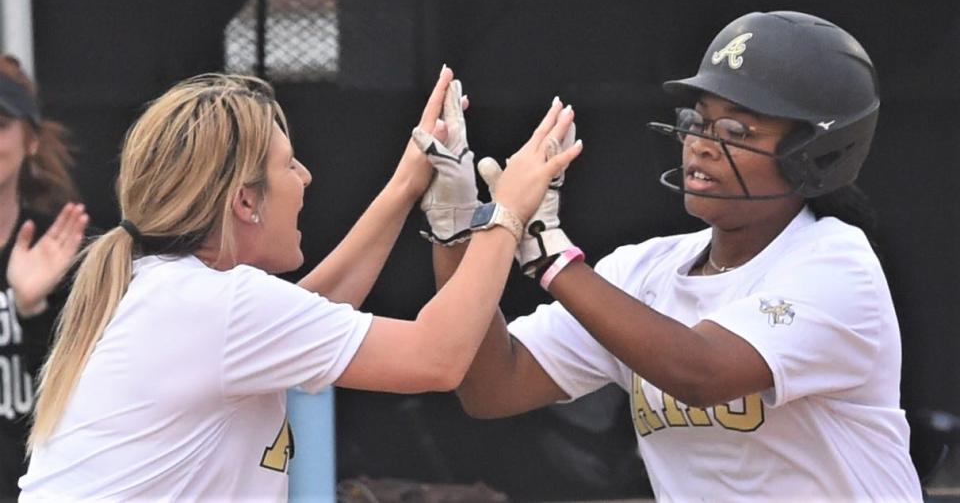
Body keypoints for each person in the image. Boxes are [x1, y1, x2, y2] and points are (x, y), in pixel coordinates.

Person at [18, 67, 582, 499]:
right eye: (290, 165)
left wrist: (408, 183)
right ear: (244, 201)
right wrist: (505, 213)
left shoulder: (172, 286)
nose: (307, 178)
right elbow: (437, 359)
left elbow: (310, 311)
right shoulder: (219, 303)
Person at [440, 12, 924, 500]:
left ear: (818, 152)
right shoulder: (642, 270)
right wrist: (454, 231)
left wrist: (548, 253)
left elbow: (701, 373)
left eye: (737, 129)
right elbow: (492, 386)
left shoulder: (836, 263)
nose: (700, 145)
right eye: (697, 121)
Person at [0, 54, 89, 498]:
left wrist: (33, 307)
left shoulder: (59, 250)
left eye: (0, 124)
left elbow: (80, 399)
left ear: (31, 140)